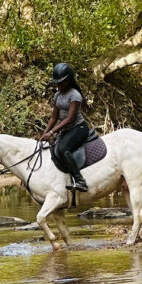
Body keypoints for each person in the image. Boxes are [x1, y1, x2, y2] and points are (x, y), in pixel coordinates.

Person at [40, 63, 89, 192]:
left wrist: (51, 132)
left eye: (61, 83)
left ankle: (80, 180)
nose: (59, 86)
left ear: (68, 80)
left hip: (79, 128)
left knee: (63, 149)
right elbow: (53, 118)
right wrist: (44, 134)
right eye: (57, 83)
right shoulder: (57, 95)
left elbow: (69, 119)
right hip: (66, 129)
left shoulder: (75, 95)